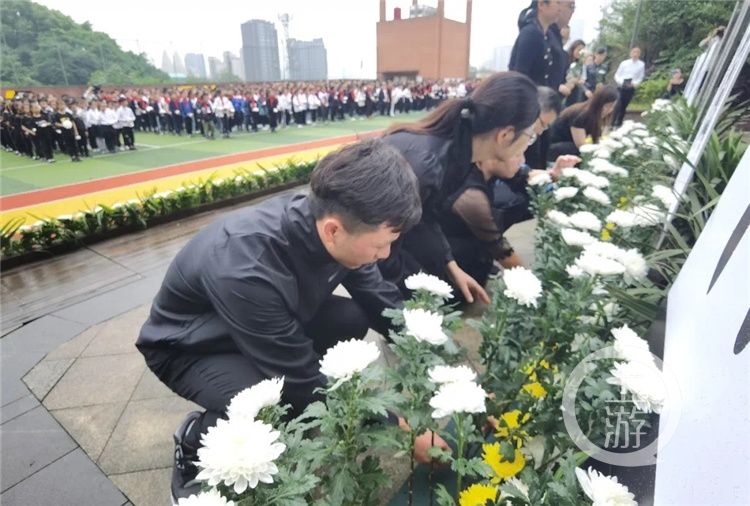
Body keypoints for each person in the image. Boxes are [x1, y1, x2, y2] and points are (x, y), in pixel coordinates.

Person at [135, 139, 452, 502]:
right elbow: (297, 373)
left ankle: (301, 403)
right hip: (190, 346)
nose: (386, 254)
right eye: (381, 244)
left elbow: (380, 300)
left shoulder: (332, 225)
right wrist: (401, 427)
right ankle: (196, 439)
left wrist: (441, 365)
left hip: (266, 324)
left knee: (351, 317)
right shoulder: (245, 266)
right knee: (267, 402)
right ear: (334, 230)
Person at [379, 71, 540, 304]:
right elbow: (381, 252)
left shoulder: (458, 156)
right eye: (530, 135)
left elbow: (426, 216)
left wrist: (450, 265)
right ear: (505, 134)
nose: (527, 147)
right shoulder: (429, 164)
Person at [548, 84, 618, 159]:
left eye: (612, 107)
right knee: (581, 151)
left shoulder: (603, 116)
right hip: (556, 145)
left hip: (571, 143)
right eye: (607, 106)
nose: (610, 110)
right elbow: (581, 145)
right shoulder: (580, 115)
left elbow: (602, 137)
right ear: (598, 103)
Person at [612, 46, 645, 127]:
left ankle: (619, 123)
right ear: (631, 53)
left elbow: (640, 77)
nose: (635, 54)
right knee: (618, 103)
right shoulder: (624, 63)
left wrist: (635, 83)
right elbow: (617, 75)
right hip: (621, 85)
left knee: (624, 105)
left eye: (637, 52)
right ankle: (612, 122)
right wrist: (621, 82)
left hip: (631, 86)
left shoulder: (641, 64)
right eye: (634, 52)